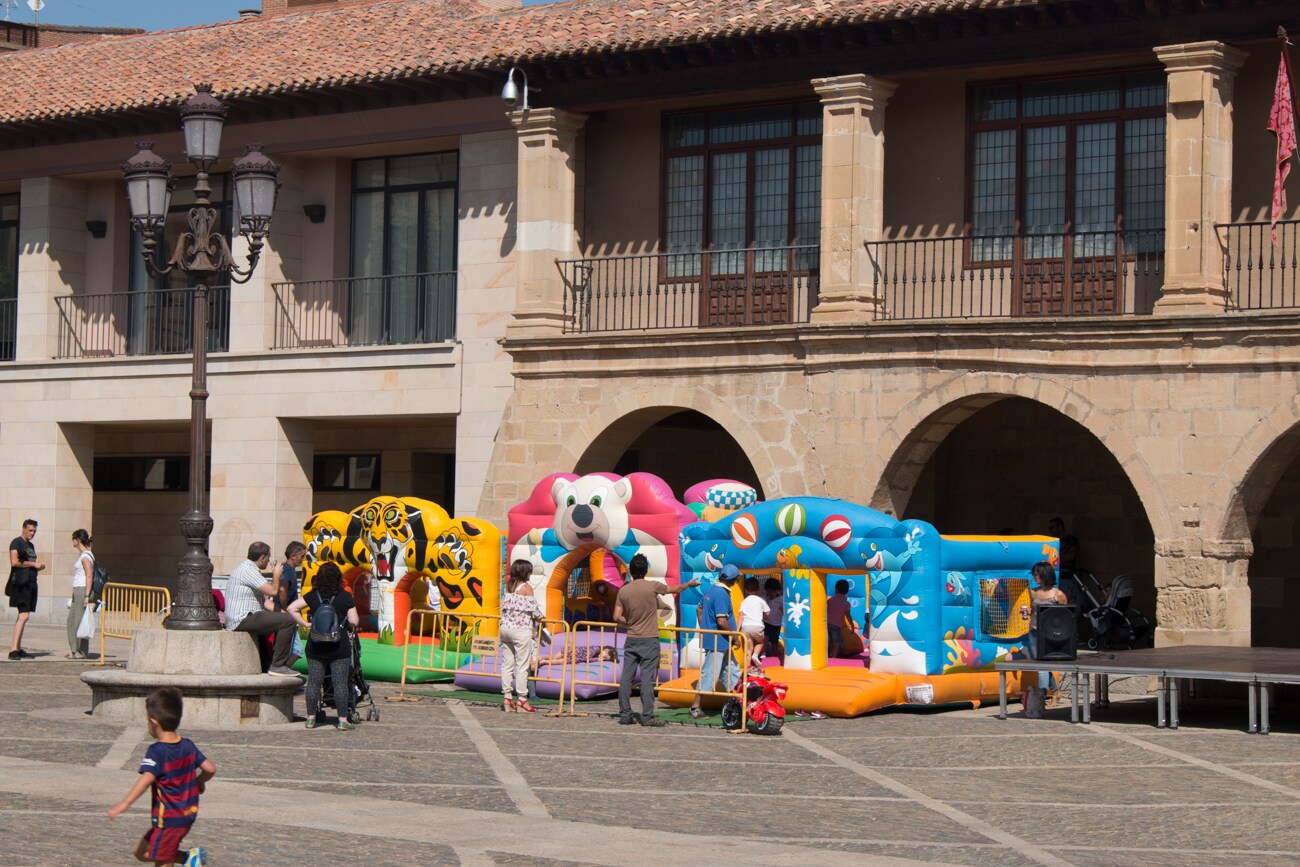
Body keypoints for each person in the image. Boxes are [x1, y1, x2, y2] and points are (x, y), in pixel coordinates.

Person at [108, 686, 214, 867]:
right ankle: (188, 858)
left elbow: (146, 779)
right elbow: (210, 769)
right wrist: (198, 782)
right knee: (140, 852)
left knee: (162, 861)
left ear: (153, 722)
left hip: (170, 820)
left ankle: (185, 858)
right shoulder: (188, 745)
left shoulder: (157, 751)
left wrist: (124, 804)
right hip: (184, 816)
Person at [614, 553, 698, 727]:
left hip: (632, 639)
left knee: (626, 678)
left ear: (631, 571)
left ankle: (625, 715)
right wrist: (689, 584)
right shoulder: (653, 586)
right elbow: (675, 589)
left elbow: (616, 616)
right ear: (645, 570)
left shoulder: (624, 590)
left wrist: (629, 622)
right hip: (650, 639)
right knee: (646, 679)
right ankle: (647, 716)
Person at [287, 561, 359, 730]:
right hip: (338, 646)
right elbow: (354, 620)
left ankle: (311, 718)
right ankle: (342, 720)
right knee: (340, 682)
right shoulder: (345, 596)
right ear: (338, 578)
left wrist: (305, 624)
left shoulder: (313, 595)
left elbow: (291, 608)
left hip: (316, 645)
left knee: (314, 682)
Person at [223, 541, 299, 677]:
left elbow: (265, 602)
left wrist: (284, 613)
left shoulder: (249, 570)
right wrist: (276, 575)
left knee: (286, 619)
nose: (269, 560)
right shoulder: (247, 570)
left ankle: (267, 665)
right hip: (243, 618)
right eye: (268, 557)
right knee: (287, 622)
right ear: (262, 557)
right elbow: (273, 591)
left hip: (250, 615)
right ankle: (278, 665)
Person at [689, 563, 741, 720]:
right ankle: (695, 707)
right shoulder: (722, 594)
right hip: (719, 641)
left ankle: (737, 701)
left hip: (718, 640)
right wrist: (735, 636)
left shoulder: (711, 589)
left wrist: (705, 627)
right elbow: (722, 621)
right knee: (710, 673)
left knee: (732, 670)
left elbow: (699, 609)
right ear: (734, 580)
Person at [500, 559, 544, 713]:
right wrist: (542, 619)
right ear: (525, 572)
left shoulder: (509, 586)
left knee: (507, 664)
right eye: (529, 571)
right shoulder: (526, 588)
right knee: (522, 665)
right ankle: (522, 700)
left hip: (505, 628)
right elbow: (534, 610)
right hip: (520, 630)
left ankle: (507, 697)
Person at [1025, 560, 1069, 701]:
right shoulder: (1032, 593)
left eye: (1036, 574)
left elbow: (1066, 617)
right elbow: (1030, 611)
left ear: (1045, 575)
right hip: (1034, 631)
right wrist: (1025, 612)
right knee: (1041, 663)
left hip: (1050, 635)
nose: (1034, 577)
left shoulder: (1058, 595)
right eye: (1033, 575)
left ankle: (1041, 697)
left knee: (1042, 665)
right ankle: (1055, 692)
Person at [7, 518, 46, 661]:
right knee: (24, 616)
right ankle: (13, 650)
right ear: (23, 528)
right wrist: (33, 564)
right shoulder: (16, 542)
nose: (32, 533)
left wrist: (38, 566)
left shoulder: (31, 545)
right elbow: (14, 562)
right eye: (30, 530)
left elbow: (29, 565)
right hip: (20, 584)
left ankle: (17, 647)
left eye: (34, 531)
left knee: (24, 616)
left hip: (31, 583)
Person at [274, 541, 307, 663]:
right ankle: (282, 669)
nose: (303, 559)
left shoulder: (288, 569)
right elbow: (282, 589)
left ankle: (282, 668)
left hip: (283, 613)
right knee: (297, 650)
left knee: (288, 648)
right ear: (293, 556)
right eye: (302, 556)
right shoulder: (287, 570)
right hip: (285, 614)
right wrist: (286, 609)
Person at [67, 529, 96, 659]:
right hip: (77, 590)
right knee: (72, 620)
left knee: (78, 621)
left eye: (73, 539)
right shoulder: (83, 555)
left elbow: (89, 576)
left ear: (77, 540)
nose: (72, 542)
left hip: (82, 590)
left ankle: (79, 651)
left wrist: (86, 596)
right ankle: (76, 650)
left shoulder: (85, 556)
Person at [738, 577, 770, 669]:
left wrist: (737, 629)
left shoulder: (744, 601)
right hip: (757, 626)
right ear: (758, 588)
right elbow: (768, 612)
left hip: (746, 627)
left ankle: (748, 667)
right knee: (760, 642)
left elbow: (741, 616)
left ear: (746, 590)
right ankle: (755, 656)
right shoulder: (761, 600)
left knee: (749, 648)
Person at [826, 578, 852, 659]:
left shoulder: (830, 600)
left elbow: (826, 610)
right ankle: (834, 657)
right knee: (836, 642)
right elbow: (848, 615)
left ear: (836, 590)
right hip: (836, 625)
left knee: (829, 640)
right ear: (847, 591)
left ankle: (829, 654)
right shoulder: (846, 603)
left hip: (827, 623)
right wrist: (851, 624)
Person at [762, 577, 784, 662]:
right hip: (766, 621)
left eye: (774, 592)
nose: (771, 593)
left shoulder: (780, 599)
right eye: (770, 591)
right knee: (764, 638)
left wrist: (782, 610)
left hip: (776, 624)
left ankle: (773, 656)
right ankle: (763, 653)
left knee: (774, 641)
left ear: (777, 590)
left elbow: (783, 610)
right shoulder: (765, 598)